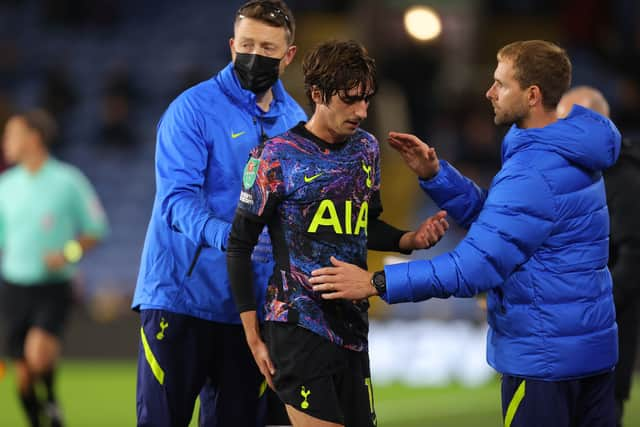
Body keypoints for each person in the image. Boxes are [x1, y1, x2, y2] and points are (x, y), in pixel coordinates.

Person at [310, 40, 622, 427]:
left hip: (545, 363)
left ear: (532, 95)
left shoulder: (532, 171)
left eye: (500, 84)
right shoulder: (571, 151)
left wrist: (376, 281)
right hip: (589, 352)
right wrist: (437, 177)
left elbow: (472, 268)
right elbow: (510, 225)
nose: (489, 92)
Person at [227, 40, 448, 427]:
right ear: (317, 95)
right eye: (350, 100)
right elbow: (239, 245)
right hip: (297, 327)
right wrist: (252, 335)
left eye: (366, 99)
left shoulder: (366, 149)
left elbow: (363, 225)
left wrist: (409, 241)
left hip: (352, 328)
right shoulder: (274, 156)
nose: (362, 111)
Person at [131, 1, 306, 426]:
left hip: (251, 312)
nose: (254, 55)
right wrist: (232, 239)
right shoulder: (191, 111)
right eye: (246, 44)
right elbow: (176, 201)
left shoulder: (297, 121)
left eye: (267, 47)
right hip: (181, 298)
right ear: (231, 45)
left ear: (289, 55)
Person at [0, 109, 108, 427]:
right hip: (14, 287)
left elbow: (96, 228)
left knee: (37, 354)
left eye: (11, 134)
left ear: (33, 138)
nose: (5, 141)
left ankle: (49, 396)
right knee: (22, 377)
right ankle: (45, 413)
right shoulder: (6, 185)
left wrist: (68, 253)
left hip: (53, 286)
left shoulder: (68, 181)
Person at [558, 86, 640, 427]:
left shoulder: (625, 180)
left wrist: (587, 309)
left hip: (605, 340)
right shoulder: (572, 176)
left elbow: (634, 261)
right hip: (565, 339)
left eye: (566, 121)